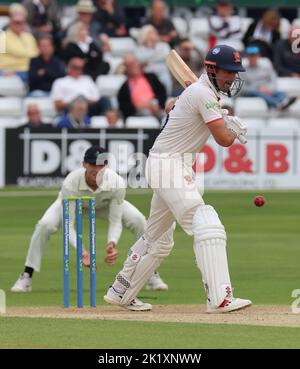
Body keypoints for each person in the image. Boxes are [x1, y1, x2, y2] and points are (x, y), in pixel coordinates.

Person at [104, 45, 252, 313]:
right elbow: (223, 140)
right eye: (228, 71)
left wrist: (225, 120)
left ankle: (121, 290)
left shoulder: (201, 94)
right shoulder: (202, 94)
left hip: (168, 164)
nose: (232, 77)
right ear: (212, 70)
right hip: (169, 165)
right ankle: (220, 298)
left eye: (235, 72)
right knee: (205, 223)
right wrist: (232, 128)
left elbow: (189, 113)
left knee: (157, 239)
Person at [11, 146, 169, 302]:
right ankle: (26, 276)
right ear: (84, 164)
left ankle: (150, 274)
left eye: (101, 165)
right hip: (75, 205)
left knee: (139, 220)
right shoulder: (71, 182)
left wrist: (111, 243)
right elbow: (69, 225)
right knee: (44, 225)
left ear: (106, 166)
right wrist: (82, 251)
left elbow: (115, 221)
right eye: (93, 164)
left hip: (103, 206)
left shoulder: (116, 182)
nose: (97, 169)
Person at [243, 46, 296, 110]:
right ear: (247, 57)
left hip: (267, 89)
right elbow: (243, 87)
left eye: (254, 56)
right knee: (256, 93)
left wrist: (268, 89)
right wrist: (258, 89)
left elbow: (273, 80)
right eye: (250, 56)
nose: (252, 58)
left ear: (258, 56)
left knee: (282, 93)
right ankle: (278, 104)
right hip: (253, 92)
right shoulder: (243, 70)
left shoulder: (266, 66)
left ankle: (283, 103)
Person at [117, 54, 166, 120]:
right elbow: (123, 107)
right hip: (139, 112)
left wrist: (157, 104)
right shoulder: (124, 88)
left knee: (166, 116)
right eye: (129, 64)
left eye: (134, 63)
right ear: (126, 67)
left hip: (156, 107)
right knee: (146, 114)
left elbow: (162, 93)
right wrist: (137, 106)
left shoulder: (151, 77)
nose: (133, 66)